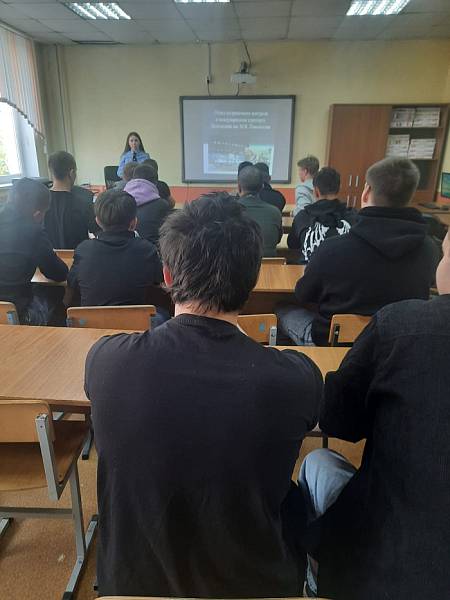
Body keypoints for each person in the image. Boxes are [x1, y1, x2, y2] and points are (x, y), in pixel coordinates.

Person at [85, 193, 322, 598]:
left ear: (167, 274)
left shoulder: (106, 361)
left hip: (131, 585)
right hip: (255, 586)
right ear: (252, 280)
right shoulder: (295, 378)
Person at [299, 231, 450, 600]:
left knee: (316, 460)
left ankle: (314, 583)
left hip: (377, 571)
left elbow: (337, 419)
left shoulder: (400, 325)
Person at [277, 157, 439, 346]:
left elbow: (304, 294)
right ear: (410, 195)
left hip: (331, 342)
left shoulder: (332, 249)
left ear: (366, 192)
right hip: (397, 343)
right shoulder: (430, 249)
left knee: (282, 309)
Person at [67, 189, 163, 307]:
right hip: (136, 318)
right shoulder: (147, 250)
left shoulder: (83, 250)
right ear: (134, 223)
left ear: (97, 221)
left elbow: (72, 282)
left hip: (90, 319)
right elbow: (159, 280)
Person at [0, 178, 68, 324]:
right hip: (17, 314)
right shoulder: (33, 232)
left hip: (4, 307)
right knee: (57, 294)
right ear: (37, 215)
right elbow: (58, 273)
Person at [288, 167, 354, 263]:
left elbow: (292, 244)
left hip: (308, 270)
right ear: (339, 188)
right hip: (345, 269)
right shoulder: (353, 216)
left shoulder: (302, 216)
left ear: (315, 191)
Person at [45, 151, 98, 249]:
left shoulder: (40, 202)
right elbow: (98, 231)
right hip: (78, 256)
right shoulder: (84, 200)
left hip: (48, 257)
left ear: (51, 172)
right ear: (72, 173)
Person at [237, 165, 282, 257]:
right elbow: (277, 240)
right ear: (262, 186)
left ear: (239, 186)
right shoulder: (275, 212)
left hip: (239, 263)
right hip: (271, 263)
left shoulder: (230, 210)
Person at [124, 164, 170, 244]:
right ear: (155, 183)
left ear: (133, 178)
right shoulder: (162, 205)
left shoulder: (120, 200)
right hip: (153, 248)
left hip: (124, 247)